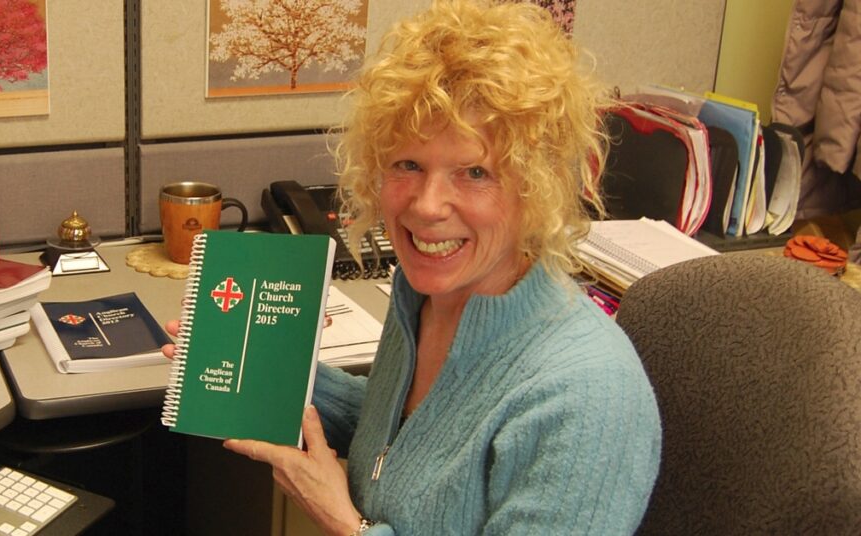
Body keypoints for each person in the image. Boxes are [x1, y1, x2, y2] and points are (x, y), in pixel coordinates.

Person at [164, 1, 660, 533]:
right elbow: (409, 440)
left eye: (474, 172)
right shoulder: (426, 301)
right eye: (408, 165)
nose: (426, 205)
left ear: (535, 188)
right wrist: (259, 365)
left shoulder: (586, 399)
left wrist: (344, 523)